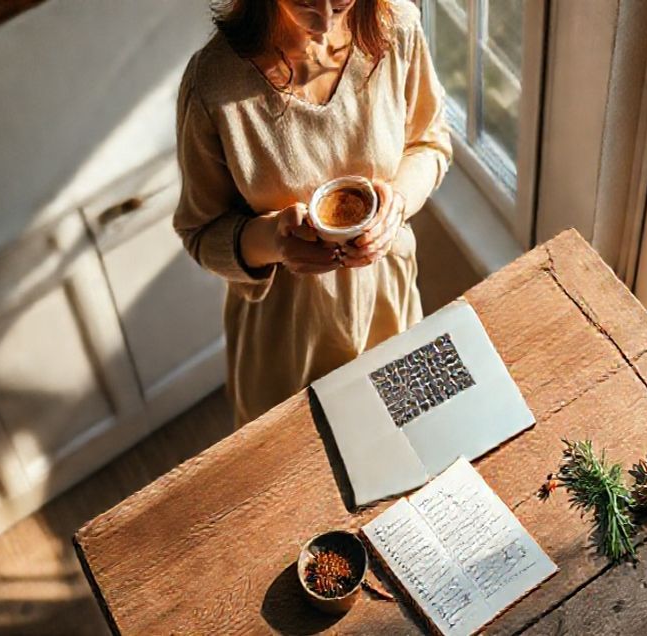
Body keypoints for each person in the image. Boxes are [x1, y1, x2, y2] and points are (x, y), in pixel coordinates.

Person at [173, 0, 452, 427]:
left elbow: (429, 142)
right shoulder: (212, 86)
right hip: (286, 341)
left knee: (407, 449)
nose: (325, 23)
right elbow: (201, 232)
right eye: (305, 1)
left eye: (341, 2)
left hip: (386, 309)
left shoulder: (398, 26)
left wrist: (396, 205)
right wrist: (274, 243)